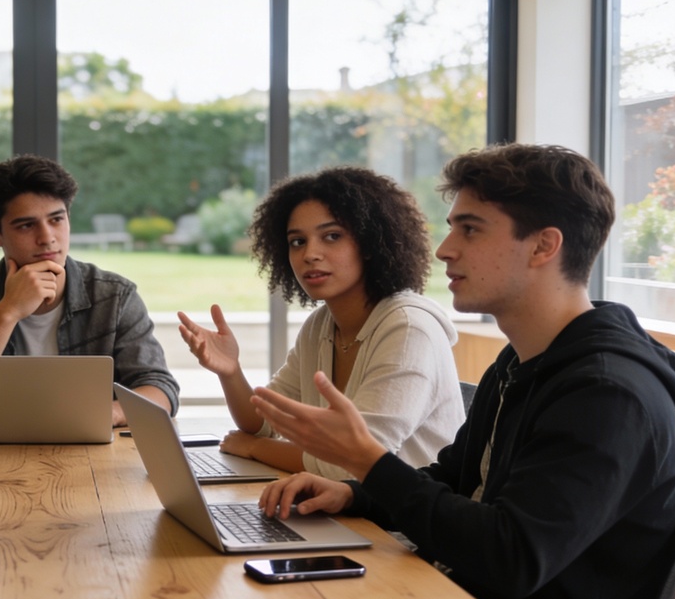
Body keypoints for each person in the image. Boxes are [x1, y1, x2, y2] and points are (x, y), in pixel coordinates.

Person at [254, 144, 675, 599]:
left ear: (543, 246)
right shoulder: (520, 360)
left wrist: (368, 462)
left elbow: (512, 558)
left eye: (470, 229)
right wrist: (355, 495)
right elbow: (456, 478)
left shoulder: (608, 395)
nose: (444, 250)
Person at [178, 167, 463, 480]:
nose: (310, 254)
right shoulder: (321, 324)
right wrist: (230, 372)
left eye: (332, 236)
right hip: (344, 503)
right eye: (297, 241)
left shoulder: (409, 329)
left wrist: (255, 448)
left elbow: (356, 463)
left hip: (399, 512)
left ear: (370, 243)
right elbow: (264, 423)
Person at [0, 154, 179, 426]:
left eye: (56, 220)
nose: (47, 237)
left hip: (89, 446)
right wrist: (7, 312)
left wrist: (110, 413)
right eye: (27, 225)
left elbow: (160, 389)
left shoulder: (115, 297)